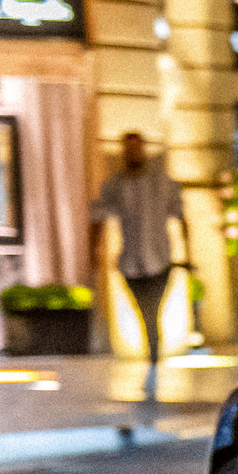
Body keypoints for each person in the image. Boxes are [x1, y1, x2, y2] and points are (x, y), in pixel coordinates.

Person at [87, 130, 189, 399]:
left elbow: (179, 214)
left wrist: (187, 256)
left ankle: (154, 355)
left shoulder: (161, 183)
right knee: (143, 311)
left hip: (159, 258)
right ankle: (152, 353)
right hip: (131, 261)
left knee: (153, 310)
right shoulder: (115, 185)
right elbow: (99, 216)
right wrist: (93, 253)